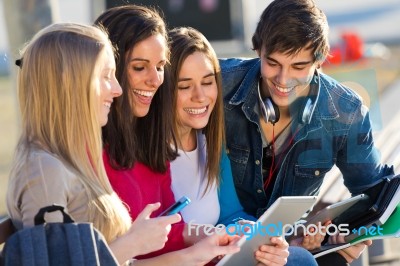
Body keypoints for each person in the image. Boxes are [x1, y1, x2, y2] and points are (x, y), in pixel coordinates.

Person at [219, 0, 394, 264]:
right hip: (220, 236)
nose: (283, 80)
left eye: (299, 67)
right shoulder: (218, 84)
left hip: (289, 243)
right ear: (257, 48)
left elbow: (372, 192)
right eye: (273, 63)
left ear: (321, 59)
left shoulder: (346, 111)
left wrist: (345, 236)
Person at [5, 22, 182, 265]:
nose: (117, 89)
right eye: (106, 76)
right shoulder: (44, 169)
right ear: (71, 83)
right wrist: (133, 244)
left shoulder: (66, 157)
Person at [94, 5, 241, 265]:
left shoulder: (145, 146)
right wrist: (197, 253)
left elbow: (175, 230)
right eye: (139, 67)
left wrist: (233, 238)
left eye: (160, 67)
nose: (155, 80)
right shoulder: (93, 151)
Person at [167, 26, 319, 266]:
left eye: (208, 82)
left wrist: (254, 234)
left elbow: (230, 214)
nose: (200, 96)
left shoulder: (210, 144)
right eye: (184, 86)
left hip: (218, 257)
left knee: (298, 259)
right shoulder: (150, 154)